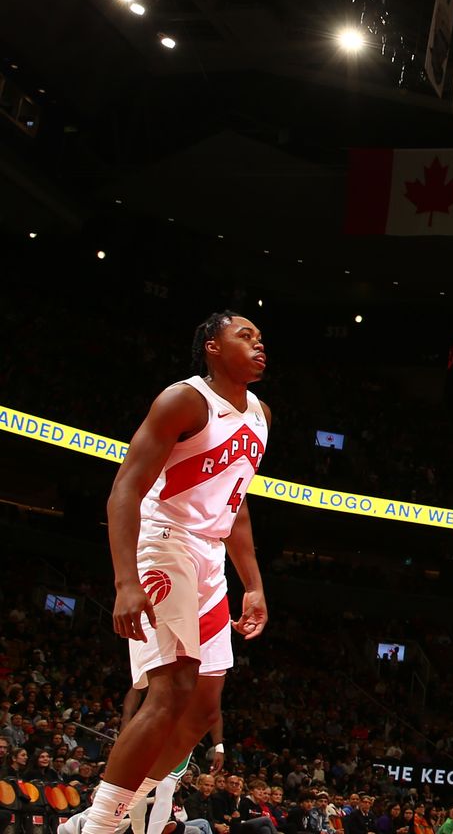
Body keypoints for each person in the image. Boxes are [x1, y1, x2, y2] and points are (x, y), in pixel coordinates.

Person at [67, 312, 271, 834]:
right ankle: (101, 827)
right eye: (244, 335)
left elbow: (237, 502)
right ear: (212, 347)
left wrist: (253, 584)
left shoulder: (262, 414)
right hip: (163, 541)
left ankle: (109, 812)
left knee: (202, 711)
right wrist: (125, 582)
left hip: (210, 555)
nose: (258, 343)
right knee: (171, 689)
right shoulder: (184, 400)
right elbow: (126, 488)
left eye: (260, 337)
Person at [120, 686, 223, 834]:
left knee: (166, 787)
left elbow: (214, 709)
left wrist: (219, 746)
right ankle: (138, 831)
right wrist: (125, 722)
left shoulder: (204, 674)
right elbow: (136, 689)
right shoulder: (161, 667)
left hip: (182, 736)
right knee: (137, 787)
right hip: (151, 727)